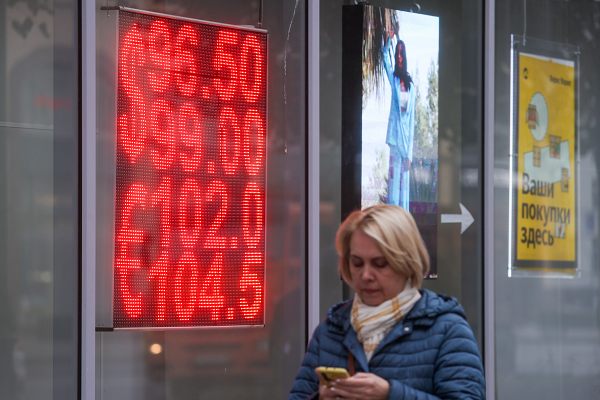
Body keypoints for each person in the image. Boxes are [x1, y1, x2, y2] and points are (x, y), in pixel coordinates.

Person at [288, 205, 485, 399]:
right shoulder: (330, 331)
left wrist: (389, 394)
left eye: (380, 264)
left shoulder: (447, 330)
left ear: (408, 263)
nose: (366, 275)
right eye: (357, 263)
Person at [383, 36, 416, 211]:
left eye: (401, 53)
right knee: (394, 186)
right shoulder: (394, 79)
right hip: (395, 139)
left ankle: (403, 221)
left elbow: (411, 121)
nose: (399, 57)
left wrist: (409, 154)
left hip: (405, 142)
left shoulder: (412, 86)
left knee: (405, 191)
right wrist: (389, 41)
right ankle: (392, 221)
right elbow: (384, 58)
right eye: (397, 53)